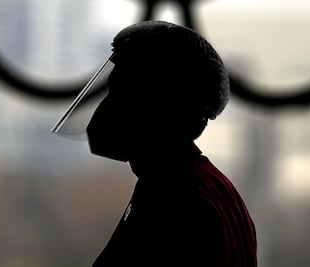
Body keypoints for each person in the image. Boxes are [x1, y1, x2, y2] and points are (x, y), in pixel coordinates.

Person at [53, 20, 257, 266]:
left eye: (121, 94)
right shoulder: (208, 184)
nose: (106, 108)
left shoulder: (172, 197)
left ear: (156, 106)